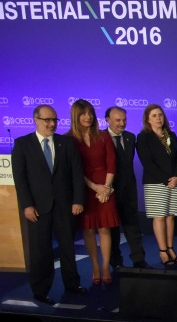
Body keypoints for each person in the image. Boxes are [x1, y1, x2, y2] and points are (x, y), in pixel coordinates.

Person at [12, 104, 87, 304]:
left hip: (65, 207)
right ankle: (41, 290)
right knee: (41, 251)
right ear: (35, 120)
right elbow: (20, 180)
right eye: (47, 120)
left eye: (55, 120)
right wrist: (27, 205)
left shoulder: (67, 143)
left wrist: (78, 200)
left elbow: (77, 175)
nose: (52, 123)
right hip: (37, 208)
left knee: (67, 249)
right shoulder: (22, 144)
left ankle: (72, 285)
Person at [68, 99, 121, 286]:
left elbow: (111, 163)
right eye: (83, 113)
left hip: (106, 187)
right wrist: (95, 188)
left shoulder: (103, 136)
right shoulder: (69, 139)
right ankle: (95, 267)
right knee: (89, 230)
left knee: (104, 229)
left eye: (90, 113)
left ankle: (106, 266)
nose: (88, 117)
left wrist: (106, 188)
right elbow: (75, 170)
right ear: (76, 115)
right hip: (85, 189)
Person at [136, 104, 177, 266]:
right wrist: (166, 179)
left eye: (160, 115)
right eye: (154, 116)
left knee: (170, 216)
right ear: (148, 119)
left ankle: (171, 248)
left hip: (174, 181)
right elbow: (147, 163)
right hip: (155, 182)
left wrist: (176, 176)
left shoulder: (172, 135)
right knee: (160, 217)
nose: (158, 118)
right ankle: (162, 251)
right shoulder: (143, 137)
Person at [104, 106, 148, 269]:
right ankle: (115, 262)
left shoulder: (130, 137)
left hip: (129, 190)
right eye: (117, 120)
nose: (122, 123)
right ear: (107, 120)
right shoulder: (100, 138)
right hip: (110, 191)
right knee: (113, 229)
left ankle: (139, 259)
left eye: (124, 120)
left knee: (133, 226)